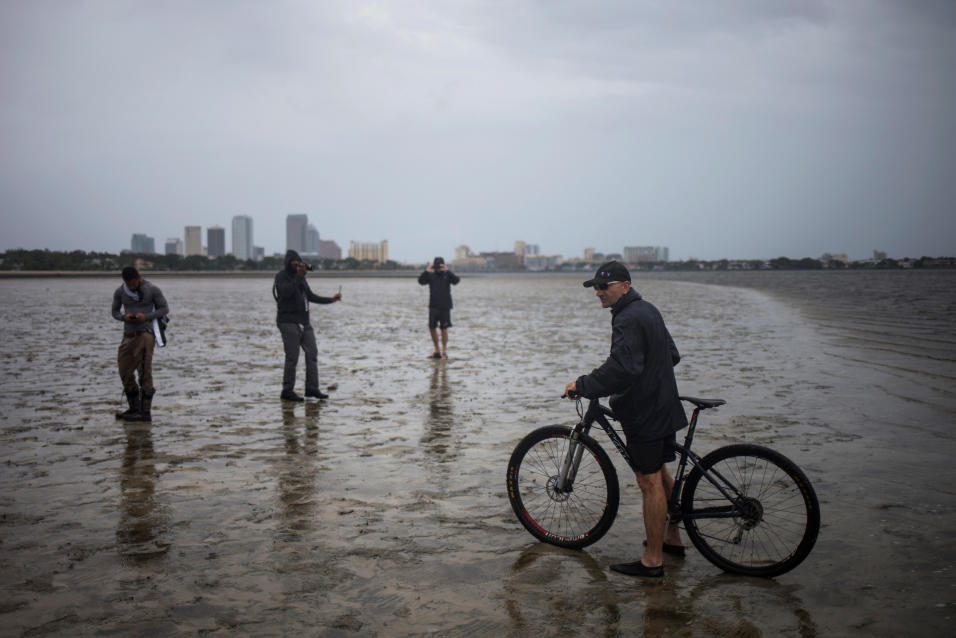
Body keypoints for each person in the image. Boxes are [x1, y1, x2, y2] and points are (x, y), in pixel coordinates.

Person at [563, 261, 687, 578]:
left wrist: (584, 384)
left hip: (646, 411)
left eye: (605, 287)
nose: (599, 293)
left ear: (625, 286)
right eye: (596, 287)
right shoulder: (647, 309)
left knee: (648, 481)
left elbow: (622, 369)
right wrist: (648, 378)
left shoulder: (628, 317)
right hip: (663, 404)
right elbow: (671, 354)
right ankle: (672, 537)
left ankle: (653, 560)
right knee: (659, 472)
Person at [274, 250, 341, 402]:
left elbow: (310, 297)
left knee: (312, 354)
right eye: (295, 262)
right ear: (289, 262)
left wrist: (331, 300)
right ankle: (287, 391)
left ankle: (312, 388)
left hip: (304, 322)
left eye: (299, 262)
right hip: (288, 321)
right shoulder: (281, 277)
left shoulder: (302, 279)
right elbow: (285, 293)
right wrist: (298, 276)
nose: (298, 265)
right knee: (292, 357)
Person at [112, 266, 169, 422]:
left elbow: (164, 309)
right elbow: (115, 312)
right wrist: (125, 317)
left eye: (134, 283)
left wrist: (147, 317)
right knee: (124, 371)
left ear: (139, 277)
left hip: (145, 335)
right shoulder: (120, 292)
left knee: (144, 372)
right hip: (128, 335)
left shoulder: (152, 289)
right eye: (128, 284)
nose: (131, 286)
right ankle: (133, 408)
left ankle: (145, 412)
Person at [418, 256, 460, 360]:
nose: (438, 268)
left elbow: (456, 281)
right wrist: (427, 270)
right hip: (433, 305)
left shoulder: (447, 275)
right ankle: (437, 350)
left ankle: (444, 352)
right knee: (432, 327)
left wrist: (448, 270)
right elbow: (421, 281)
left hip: (445, 306)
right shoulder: (431, 275)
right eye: (437, 266)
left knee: (444, 328)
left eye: (440, 266)